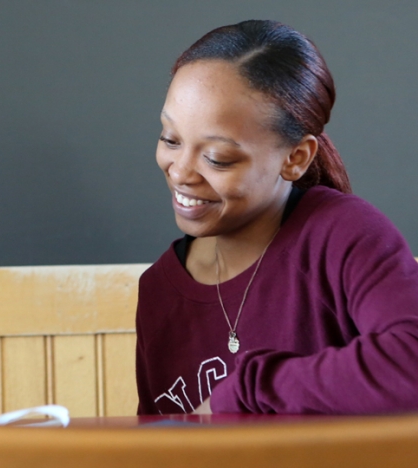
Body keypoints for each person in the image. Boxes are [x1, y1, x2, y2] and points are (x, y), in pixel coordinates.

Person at [136, 20, 418, 415]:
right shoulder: (158, 291)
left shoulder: (344, 235)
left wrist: (248, 389)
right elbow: (160, 445)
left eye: (217, 157)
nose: (180, 171)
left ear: (295, 158)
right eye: (170, 139)